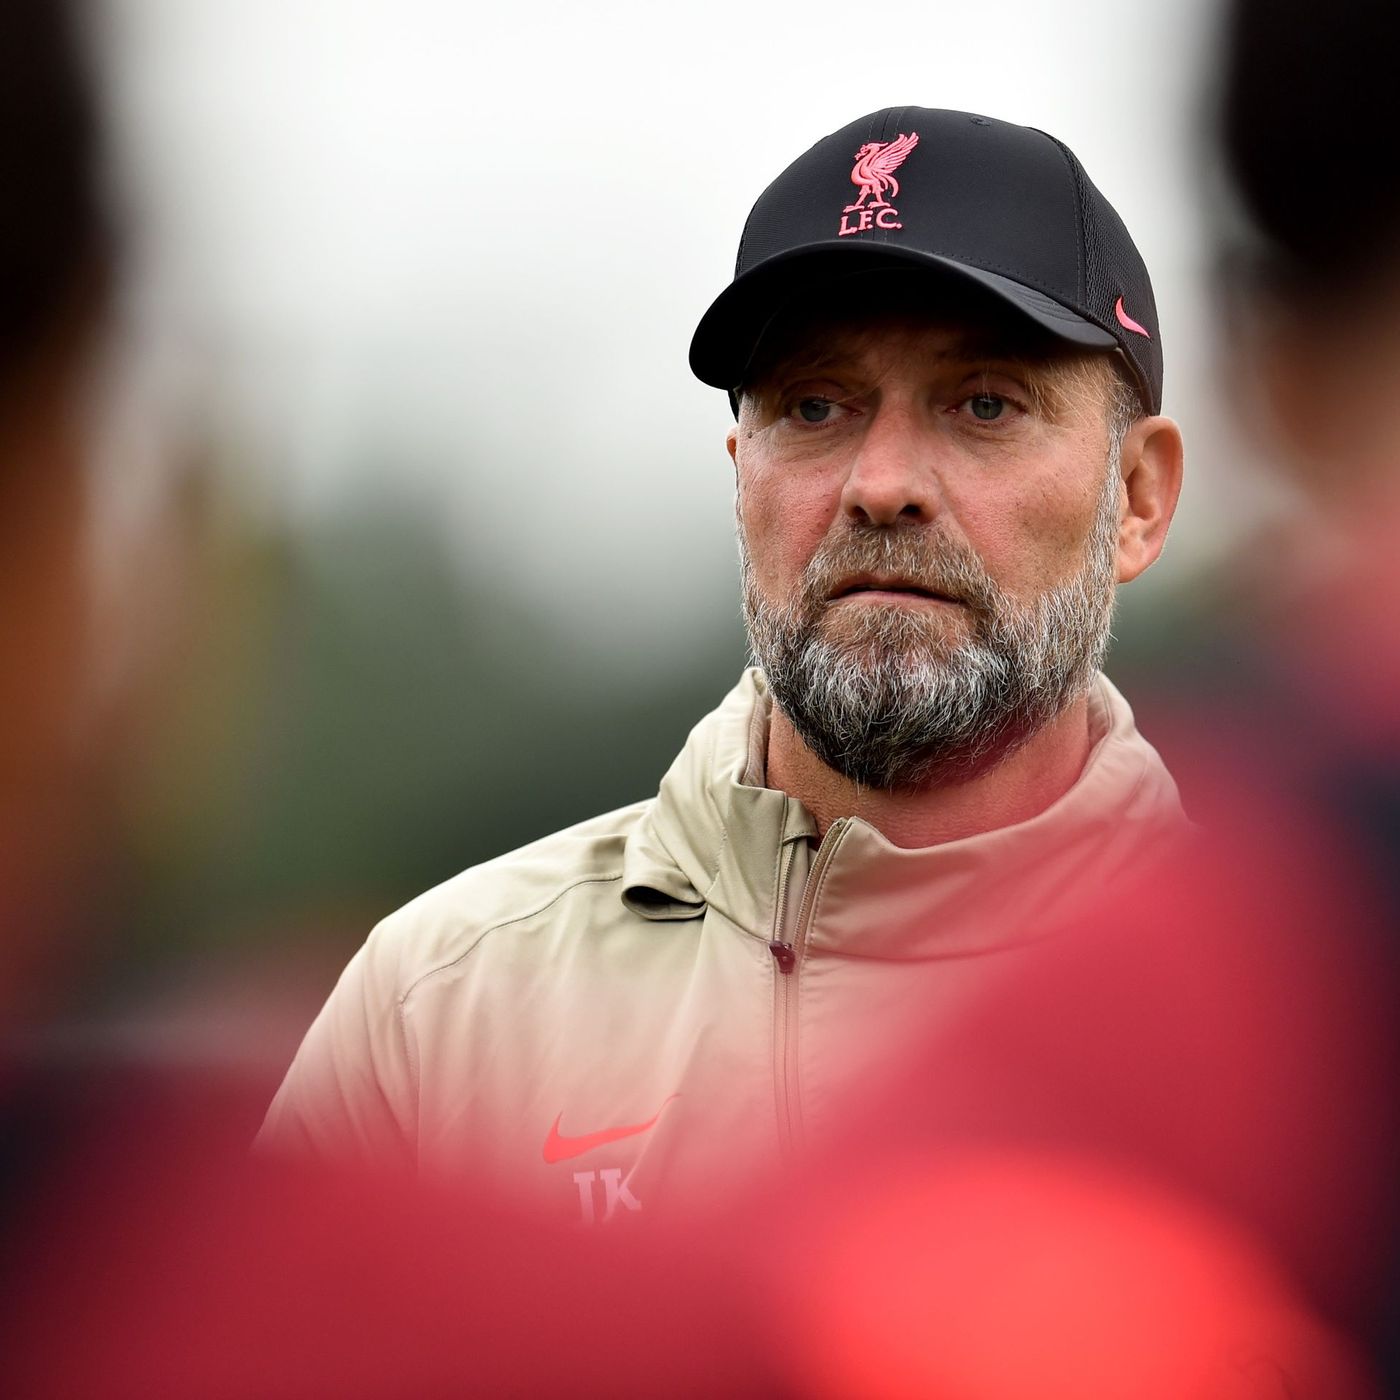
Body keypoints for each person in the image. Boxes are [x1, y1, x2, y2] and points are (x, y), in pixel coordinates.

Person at [259, 107, 1187, 1226]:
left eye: (984, 403)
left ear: (1136, 496)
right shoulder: (442, 1010)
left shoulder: (1302, 1017)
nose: (881, 483)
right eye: (815, 406)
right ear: (741, 472)